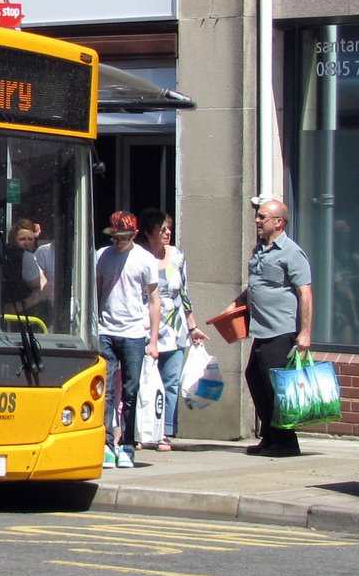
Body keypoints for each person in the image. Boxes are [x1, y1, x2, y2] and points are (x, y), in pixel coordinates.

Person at [217, 199, 313, 458]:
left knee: (275, 387)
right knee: (255, 378)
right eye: (258, 217)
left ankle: (286, 442)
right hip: (261, 329)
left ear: (278, 222)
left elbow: (305, 293)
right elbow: (257, 286)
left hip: (281, 330)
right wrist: (234, 306)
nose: (257, 221)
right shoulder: (260, 249)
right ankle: (270, 437)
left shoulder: (291, 252)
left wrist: (305, 333)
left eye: (263, 217)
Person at [137, 209, 208, 450]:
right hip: (147, 328)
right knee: (143, 381)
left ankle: (165, 432)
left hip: (175, 328)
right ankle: (140, 432)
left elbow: (184, 294)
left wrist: (193, 326)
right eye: (162, 229)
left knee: (171, 382)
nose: (167, 233)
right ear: (149, 233)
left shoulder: (177, 256)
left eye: (169, 228)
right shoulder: (140, 257)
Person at [95, 210, 160, 469]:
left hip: (134, 332)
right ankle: (108, 443)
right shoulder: (102, 256)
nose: (118, 241)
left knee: (130, 392)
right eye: (115, 236)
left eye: (123, 236)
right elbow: (98, 293)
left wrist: (153, 340)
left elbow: (155, 302)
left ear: (134, 234)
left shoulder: (145, 259)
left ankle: (128, 445)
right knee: (107, 391)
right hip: (106, 330)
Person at [4, 218, 48, 307]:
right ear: (13, 240)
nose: (27, 243)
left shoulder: (7, 256)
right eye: (22, 239)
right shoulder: (26, 257)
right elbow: (45, 287)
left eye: (30, 239)